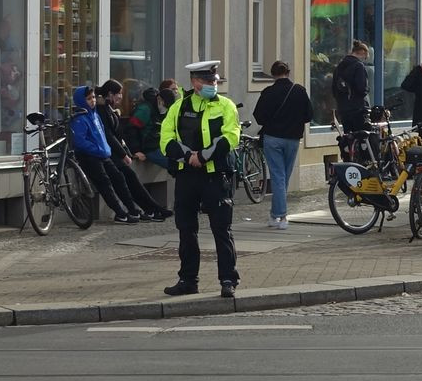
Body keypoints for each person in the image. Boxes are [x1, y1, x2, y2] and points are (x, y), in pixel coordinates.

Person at [162, 59, 242, 299]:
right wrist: (189, 157)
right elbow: (166, 139)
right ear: (195, 82)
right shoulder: (178, 107)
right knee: (186, 230)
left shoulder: (225, 105)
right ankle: (188, 280)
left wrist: (204, 156)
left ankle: (228, 279)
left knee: (222, 229)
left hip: (215, 175)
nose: (212, 85)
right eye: (207, 81)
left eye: (214, 81)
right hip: (187, 175)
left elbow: (231, 136)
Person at [66, 85, 148, 224]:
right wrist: (98, 149)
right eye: (88, 98)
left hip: (103, 155)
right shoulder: (79, 119)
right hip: (89, 157)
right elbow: (80, 142)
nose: (93, 100)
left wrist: (105, 149)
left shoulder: (95, 115)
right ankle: (120, 213)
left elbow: (102, 135)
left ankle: (132, 209)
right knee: (105, 183)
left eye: (93, 97)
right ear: (81, 101)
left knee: (119, 178)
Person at [251, 59, 311, 230]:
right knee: (284, 176)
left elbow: (259, 116)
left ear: (272, 74)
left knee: (278, 176)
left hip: (273, 138)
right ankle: (276, 215)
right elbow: (309, 115)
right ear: (288, 72)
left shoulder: (268, 92)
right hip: (293, 139)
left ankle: (280, 216)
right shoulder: (299, 91)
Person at [97, 80, 170, 220]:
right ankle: (138, 209)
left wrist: (126, 152)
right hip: (108, 153)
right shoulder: (102, 110)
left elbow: (118, 135)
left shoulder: (109, 109)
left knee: (130, 176)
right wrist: (125, 154)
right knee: (123, 178)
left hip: (114, 152)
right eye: (119, 94)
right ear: (110, 94)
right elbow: (109, 135)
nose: (121, 97)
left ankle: (151, 208)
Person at [332, 40, 372, 142]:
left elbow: (334, 89)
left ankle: (350, 151)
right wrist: (367, 90)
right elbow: (361, 88)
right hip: (357, 109)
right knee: (362, 139)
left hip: (343, 109)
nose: (364, 60)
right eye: (365, 57)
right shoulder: (358, 66)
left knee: (348, 138)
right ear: (362, 53)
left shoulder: (339, 66)